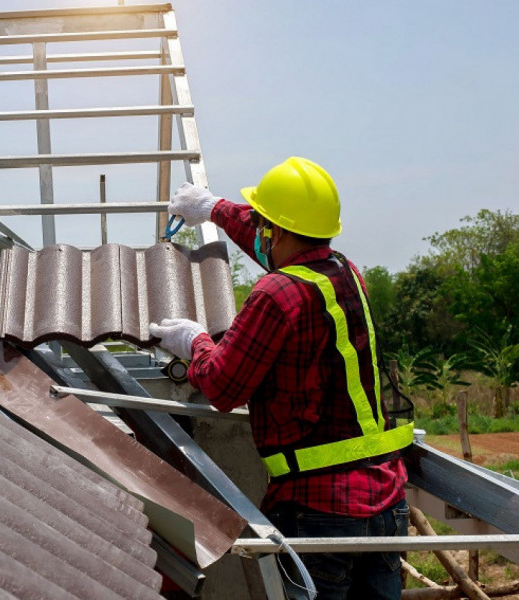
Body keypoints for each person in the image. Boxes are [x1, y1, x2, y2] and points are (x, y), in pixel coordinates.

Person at [150, 157, 414, 600]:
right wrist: (213, 208)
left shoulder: (275, 296)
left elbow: (221, 386)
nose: (260, 231)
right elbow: (272, 248)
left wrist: (193, 341)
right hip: (386, 500)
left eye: (265, 224)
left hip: (319, 511)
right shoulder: (348, 276)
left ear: (279, 230)